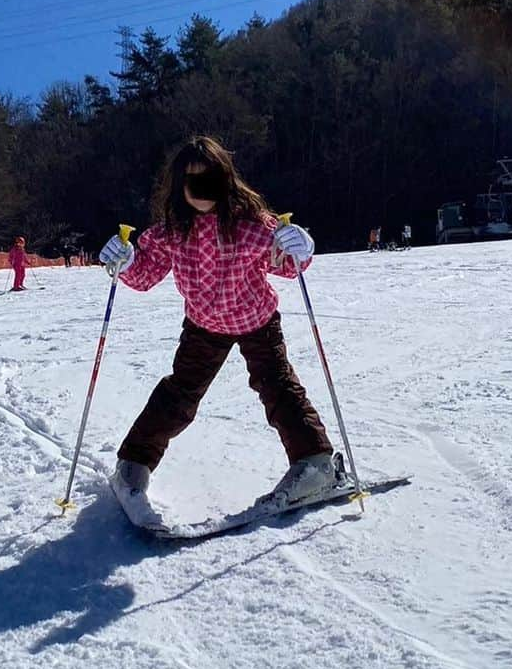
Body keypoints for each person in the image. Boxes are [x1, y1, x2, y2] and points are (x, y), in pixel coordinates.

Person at [98, 135, 335, 526]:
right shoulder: (171, 233)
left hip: (257, 319)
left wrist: (301, 248)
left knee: (276, 385)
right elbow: (144, 277)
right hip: (203, 325)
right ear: (180, 187)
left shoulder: (252, 225)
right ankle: (134, 463)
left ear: (225, 180)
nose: (202, 191)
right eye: (193, 183)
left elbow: (288, 266)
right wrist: (122, 263)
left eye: (210, 180)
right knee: (179, 394)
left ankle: (315, 463)